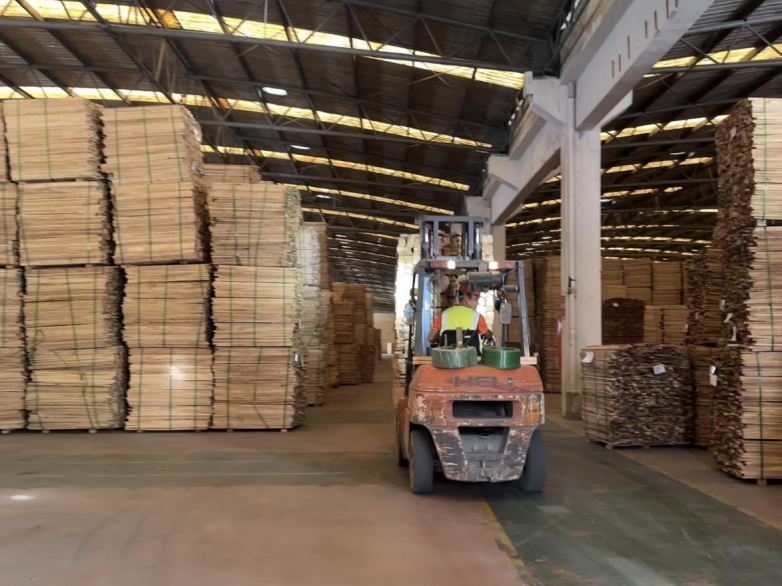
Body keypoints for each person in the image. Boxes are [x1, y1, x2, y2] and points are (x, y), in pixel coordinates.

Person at [427, 284, 493, 344]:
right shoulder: (477, 316)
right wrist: (490, 333)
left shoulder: (443, 315)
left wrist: (440, 340)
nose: (477, 303)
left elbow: (430, 338)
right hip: (471, 353)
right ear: (465, 298)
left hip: (447, 353)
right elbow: (488, 335)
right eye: (476, 299)